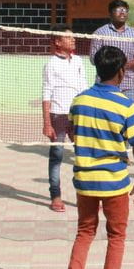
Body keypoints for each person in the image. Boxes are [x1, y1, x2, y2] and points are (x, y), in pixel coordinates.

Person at [61, 45, 134, 269]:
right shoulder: (125, 105)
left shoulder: (79, 101)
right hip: (114, 183)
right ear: (121, 72)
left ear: (97, 69)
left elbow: (72, 133)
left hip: (85, 180)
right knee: (116, 237)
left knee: (84, 233)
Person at [41, 25, 88, 212]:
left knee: (83, 156)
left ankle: (85, 195)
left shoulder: (78, 61)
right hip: (58, 116)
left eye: (73, 37)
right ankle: (56, 196)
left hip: (78, 115)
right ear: (57, 42)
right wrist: (47, 123)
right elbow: (46, 94)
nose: (73, 39)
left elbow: (84, 88)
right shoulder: (51, 64)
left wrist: (87, 112)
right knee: (57, 156)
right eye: (68, 37)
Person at [88, 0, 134, 102]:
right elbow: (93, 58)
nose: (122, 13)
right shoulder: (99, 33)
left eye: (125, 10)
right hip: (104, 86)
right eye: (118, 10)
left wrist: (125, 65)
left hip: (128, 86)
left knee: (126, 111)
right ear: (110, 13)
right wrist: (112, 65)